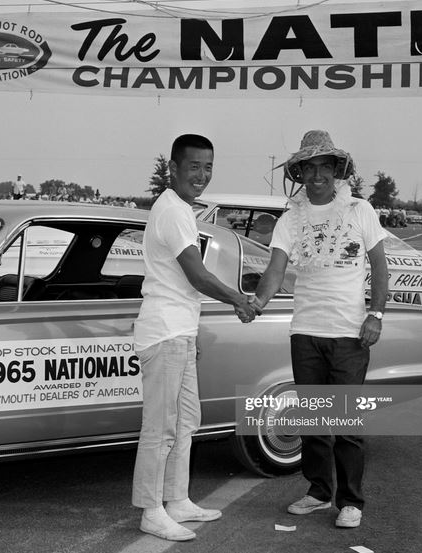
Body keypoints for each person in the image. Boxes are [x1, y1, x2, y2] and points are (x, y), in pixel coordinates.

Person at [250, 130, 388, 529]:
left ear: (336, 171)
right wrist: (255, 303)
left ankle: (350, 501)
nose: (316, 176)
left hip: (349, 332)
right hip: (306, 331)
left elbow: (379, 266)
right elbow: (276, 270)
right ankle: (318, 492)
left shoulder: (361, 211)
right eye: (308, 169)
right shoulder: (290, 220)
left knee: (345, 423)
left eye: (323, 167)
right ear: (300, 174)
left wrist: (375, 315)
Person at [132, 133, 257, 542]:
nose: (201, 175)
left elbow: (183, 285)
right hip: (164, 332)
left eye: (208, 168)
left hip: (179, 330)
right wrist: (239, 299)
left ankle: (178, 499)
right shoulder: (172, 211)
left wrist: (192, 331)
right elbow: (197, 276)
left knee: (187, 420)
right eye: (193, 167)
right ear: (174, 168)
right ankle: (151, 510)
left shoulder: (181, 209)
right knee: (161, 427)